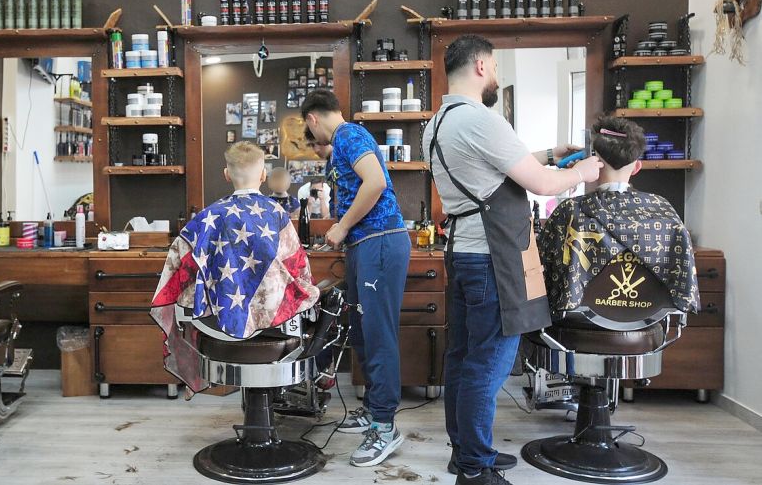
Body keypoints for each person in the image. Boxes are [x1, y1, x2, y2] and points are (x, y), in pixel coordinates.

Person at [421, 34, 603, 485]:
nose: (496, 76)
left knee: (463, 359)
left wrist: (551, 155)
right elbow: (541, 185)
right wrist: (581, 172)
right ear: (482, 66)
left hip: (465, 256)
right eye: (497, 67)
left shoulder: (438, 123)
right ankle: (474, 469)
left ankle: (465, 451)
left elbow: (500, 167)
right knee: (487, 365)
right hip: (492, 260)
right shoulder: (481, 119)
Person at [150, 141, 320, 393]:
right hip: (271, 322)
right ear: (263, 175)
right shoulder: (276, 214)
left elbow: (177, 269)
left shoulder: (206, 218)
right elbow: (299, 270)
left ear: (227, 174)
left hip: (216, 322)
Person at [302, 89, 411, 467]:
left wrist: (342, 225)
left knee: (379, 335)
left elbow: (376, 182)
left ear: (313, 119)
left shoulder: (348, 135)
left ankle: (384, 427)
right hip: (366, 245)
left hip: (380, 241)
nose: (312, 139)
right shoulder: (344, 142)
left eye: (308, 129)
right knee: (363, 332)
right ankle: (372, 411)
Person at [538, 117, 699, 314]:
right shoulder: (662, 209)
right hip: (647, 320)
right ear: (637, 167)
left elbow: (541, 270)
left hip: (578, 321)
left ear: (592, 162)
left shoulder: (570, 211)